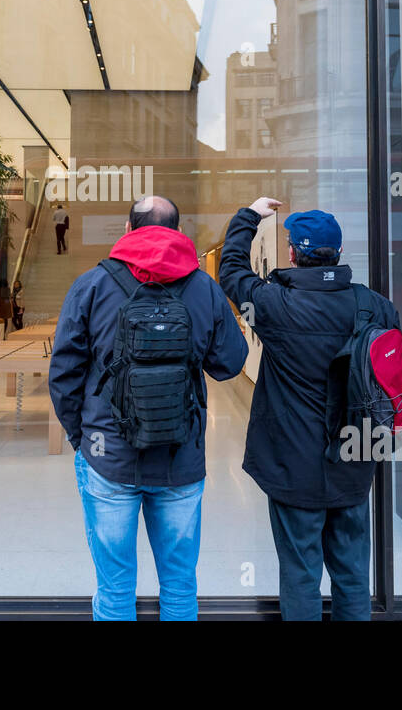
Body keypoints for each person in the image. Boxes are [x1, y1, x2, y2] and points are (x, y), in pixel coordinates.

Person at [49, 194, 248, 621]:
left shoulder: (92, 284)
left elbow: (63, 374)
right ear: (178, 233)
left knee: (115, 588)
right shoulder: (203, 288)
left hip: (108, 458)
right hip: (182, 459)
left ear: (127, 230)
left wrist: (83, 439)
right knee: (179, 587)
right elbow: (230, 363)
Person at [217, 196, 402, 621]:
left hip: (292, 469)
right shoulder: (373, 305)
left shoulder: (273, 304)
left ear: (291, 255)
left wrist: (249, 216)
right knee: (353, 575)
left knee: (300, 575)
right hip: (355, 461)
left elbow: (231, 271)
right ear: (338, 253)